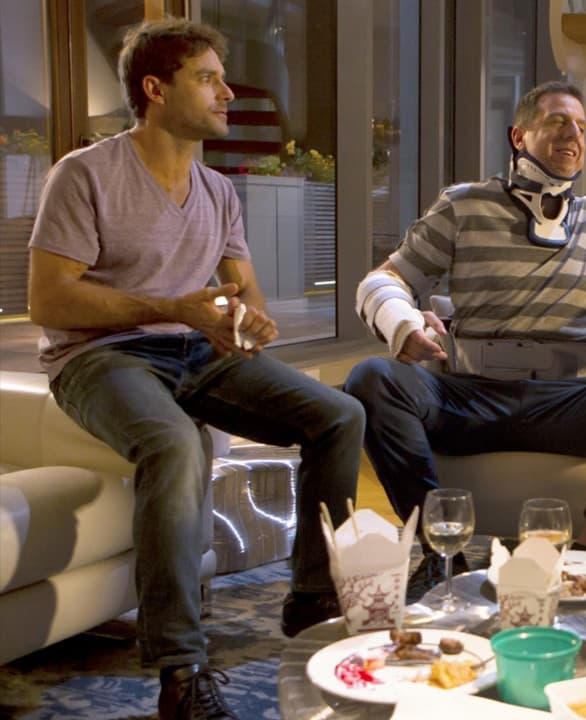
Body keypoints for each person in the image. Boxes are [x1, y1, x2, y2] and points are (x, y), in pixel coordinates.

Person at [26, 19, 364, 720]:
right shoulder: (84, 174)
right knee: (176, 443)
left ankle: (312, 600)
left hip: (198, 352)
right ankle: (180, 671)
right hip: (99, 357)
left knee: (339, 415)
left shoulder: (217, 191)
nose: (228, 93)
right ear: (155, 90)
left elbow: (246, 297)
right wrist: (172, 308)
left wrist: (250, 322)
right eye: (207, 78)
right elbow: (48, 300)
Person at [344, 80, 586, 599]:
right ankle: (442, 551)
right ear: (519, 136)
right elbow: (382, 281)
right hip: (472, 395)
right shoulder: (462, 206)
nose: (573, 135)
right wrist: (402, 323)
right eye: (558, 121)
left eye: (581, 127)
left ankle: (583, 554)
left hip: (570, 401)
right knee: (372, 378)